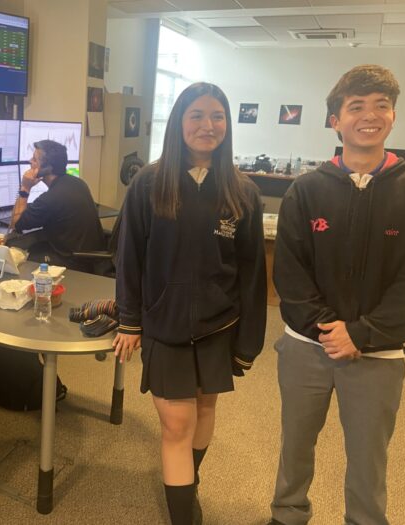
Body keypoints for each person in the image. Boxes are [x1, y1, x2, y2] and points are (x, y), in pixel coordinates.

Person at [268, 65, 405, 525]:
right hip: (306, 346)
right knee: (296, 443)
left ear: (393, 115)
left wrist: (361, 335)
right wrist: (329, 330)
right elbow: (289, 271)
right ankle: (287, 514)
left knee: (369, 456)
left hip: (378, 353)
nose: (371, 115)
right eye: (357, 106)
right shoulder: (306, 190)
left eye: (381, 105)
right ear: (336, 120)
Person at [114, 82, 267, 525]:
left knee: (204, 410)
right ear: (179, 123)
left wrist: (248, 341)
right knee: (176, 426)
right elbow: (129, 259)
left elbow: (253, 273)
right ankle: (185, 514)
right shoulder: (149, 183)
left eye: (217, 116)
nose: (207, 125)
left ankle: (188, 485)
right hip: (165, 324)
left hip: (219, 325)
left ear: (227, 125)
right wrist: (128, 321)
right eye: (196, 115)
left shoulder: (242, 191)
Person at [9, 139, 106, 272]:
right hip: (90, 255)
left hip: (73, 261)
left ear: (48, 168)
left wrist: (25, 188)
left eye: (35, 159)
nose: (30, 161)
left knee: (21, 257)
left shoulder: (50, 198)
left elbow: (16, 223)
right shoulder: (78, 183)